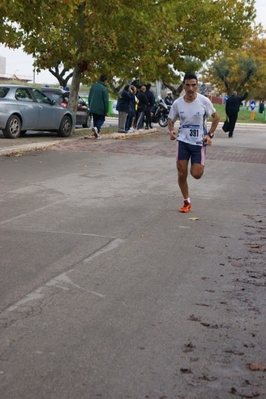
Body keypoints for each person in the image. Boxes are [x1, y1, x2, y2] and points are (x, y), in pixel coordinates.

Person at [168, 72, 220, 213]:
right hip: (183, 141)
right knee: (181, 173)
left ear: (197, 86)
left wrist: (210, 135)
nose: (190, 88)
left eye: (193, 85)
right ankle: (186, 201)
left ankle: (196, 166)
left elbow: (216, 117)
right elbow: (170, 120)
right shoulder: (177, 103)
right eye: (188, 85)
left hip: (198, 143)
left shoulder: (204, 101)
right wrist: (172, 130)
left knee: (196, 174)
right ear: (184, 86)